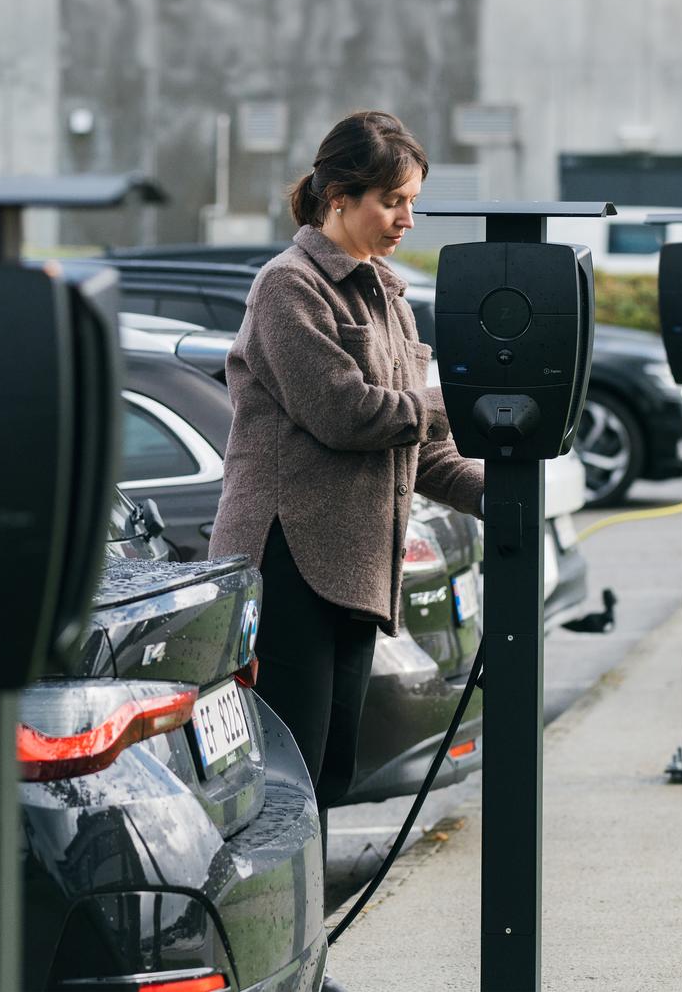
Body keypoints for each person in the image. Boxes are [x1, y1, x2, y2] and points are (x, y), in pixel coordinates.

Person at [209, 109, 484, 849]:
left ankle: (307, 954)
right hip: (289, 561)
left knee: (326, 776)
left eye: (413, 202)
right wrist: (465, 396)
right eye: (392, 201)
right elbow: (348, 414)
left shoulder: (388, 296)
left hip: (356, 568)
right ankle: (289, 960)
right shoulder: (288, 287)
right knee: (285, 777)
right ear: (338, 195)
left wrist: (501, 492)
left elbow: (414, 445)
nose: (407, 218)